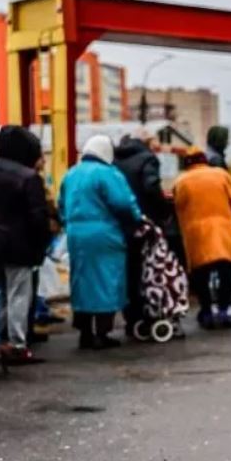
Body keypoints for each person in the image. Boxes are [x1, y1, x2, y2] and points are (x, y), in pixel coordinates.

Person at [0, 126, 53, 363]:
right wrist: (41, 245)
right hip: (18, 245)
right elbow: (38, 217)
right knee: (18, 294)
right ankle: (16, 345)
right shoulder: (29, 177)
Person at [59, 135, 142, 350]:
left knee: (82, 281)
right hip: (105, 234)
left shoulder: (71, 174)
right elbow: (123, 203)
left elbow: (61, 206)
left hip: (76, 235)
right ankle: (102, 333)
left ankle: (85, 332)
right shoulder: (108, 173)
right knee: (106, 280)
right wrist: (137, 219)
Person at [173, 146, 231, 328]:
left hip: (196, 234)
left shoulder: (181, 181)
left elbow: (178, 206)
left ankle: (206, 312)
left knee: (201, 276)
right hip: (223, 231)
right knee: (226, 273)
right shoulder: (221, 175)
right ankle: (223, 311)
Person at [113, 133, 170, 335]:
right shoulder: (147, 159)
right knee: (148, 269)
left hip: (121, 223)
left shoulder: (116, 160)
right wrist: (164, 211)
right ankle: (148, 312)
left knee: (129, 271)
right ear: (146, 143)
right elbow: (151, 187)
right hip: (144, 222)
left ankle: (132, 316)